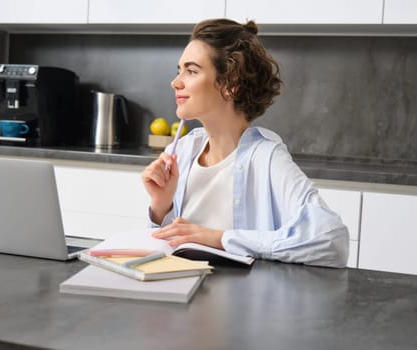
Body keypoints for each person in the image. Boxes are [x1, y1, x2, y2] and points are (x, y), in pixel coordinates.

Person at [141, 18, 349, 268]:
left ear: (231, 84)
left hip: (241, 304)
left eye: (192, 71)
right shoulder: (183, 150)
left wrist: (220, 239)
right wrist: (161, 207)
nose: (176, 82)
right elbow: (171, 247)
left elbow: (331, 241)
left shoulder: (267, 157)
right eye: (179, 70)